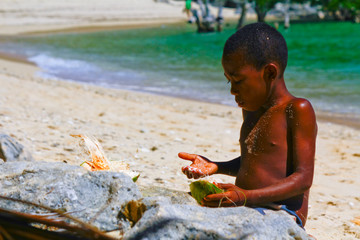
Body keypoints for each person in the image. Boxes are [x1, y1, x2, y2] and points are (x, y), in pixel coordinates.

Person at [178, 22, 317, 227]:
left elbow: (303, 179)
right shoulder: (251, 109)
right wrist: (216, 166)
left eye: (238, 81)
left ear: (270, 73)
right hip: (245, 204)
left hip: (281, 212)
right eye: (229, 81)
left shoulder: (297, 109)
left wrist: (246, 197)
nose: (232, 91)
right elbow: (256, 161)